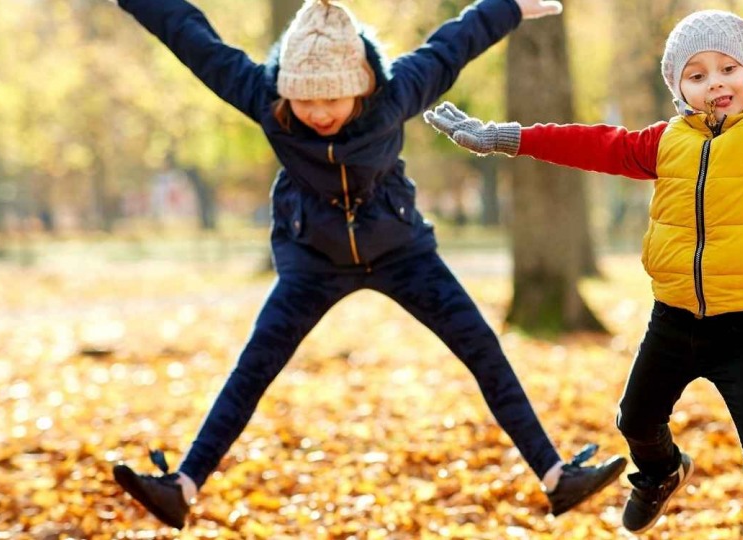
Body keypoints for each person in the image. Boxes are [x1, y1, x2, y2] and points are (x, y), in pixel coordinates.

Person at [104, 0, 627, 529]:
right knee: (255, 365)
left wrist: (509, 7)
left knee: (481, 347)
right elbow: (195, 41)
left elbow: (453, 44)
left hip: (401, 251)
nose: (320, 113)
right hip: (312, 259)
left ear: (360, 83)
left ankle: (558, 478)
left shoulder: (397, 90)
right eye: (304, 100)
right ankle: (183, 486)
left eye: (332, 97)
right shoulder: (264, 97)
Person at [424, 1, 743, 536]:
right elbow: (591, 144)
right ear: (680, 90)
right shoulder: (665, 143)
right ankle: (660, 472)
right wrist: (506, 137)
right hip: (673, 320)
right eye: (697, 75)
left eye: (729, 69)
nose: (715, 84)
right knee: (634, 420)